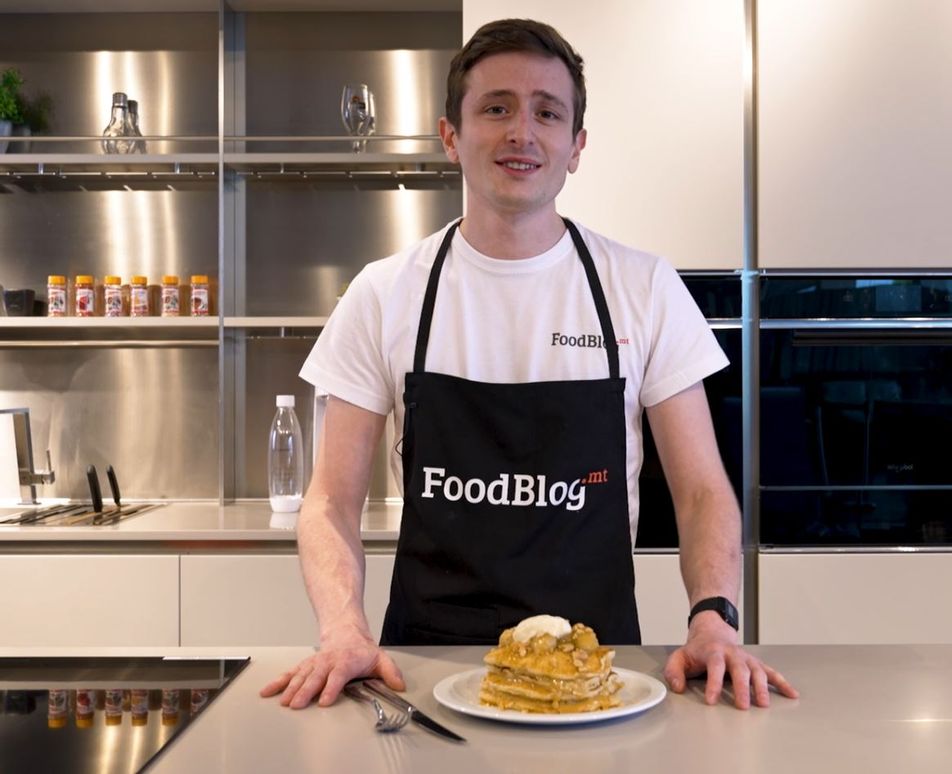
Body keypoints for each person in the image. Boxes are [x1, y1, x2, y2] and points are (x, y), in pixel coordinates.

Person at [261, 17, 798, 712]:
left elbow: (701, 491)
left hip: (600, 675)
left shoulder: (643, 288)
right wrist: (342, 629)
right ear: (450, 136)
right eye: (496, 109)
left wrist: (713, 619)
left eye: (548, 113)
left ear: (576, 146)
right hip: (424, 670)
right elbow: (330, 501)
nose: (522, 132)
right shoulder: (384, 293)